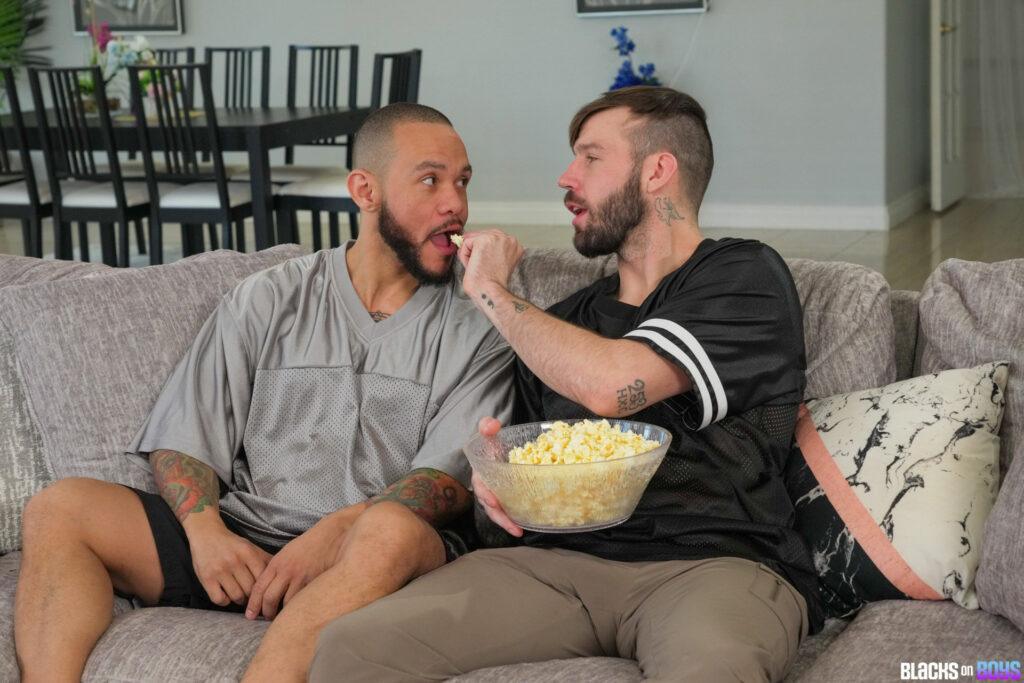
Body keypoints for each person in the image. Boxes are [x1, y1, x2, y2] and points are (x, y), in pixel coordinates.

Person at [310, 86, 824, 683]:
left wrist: (491, 291)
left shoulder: (743, 276)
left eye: (590, 158)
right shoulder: (561, 323)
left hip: (715, 565)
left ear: (657, 172)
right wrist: (499, 489)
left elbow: (614, 387)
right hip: (552, 567)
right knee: (349, 650)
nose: (565, 177)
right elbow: (515, 487)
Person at [14, 102, 514, 683]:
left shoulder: (481, 326)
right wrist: (206, 533)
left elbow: (445, 484)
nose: (456, 204)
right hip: (247, 547)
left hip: (368, 556)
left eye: (462, 182)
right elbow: (185, 433)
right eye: (431, 180)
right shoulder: (268, 297)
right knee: (61, 507)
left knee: (392, 532)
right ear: (365, 190)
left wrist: (336, 530)